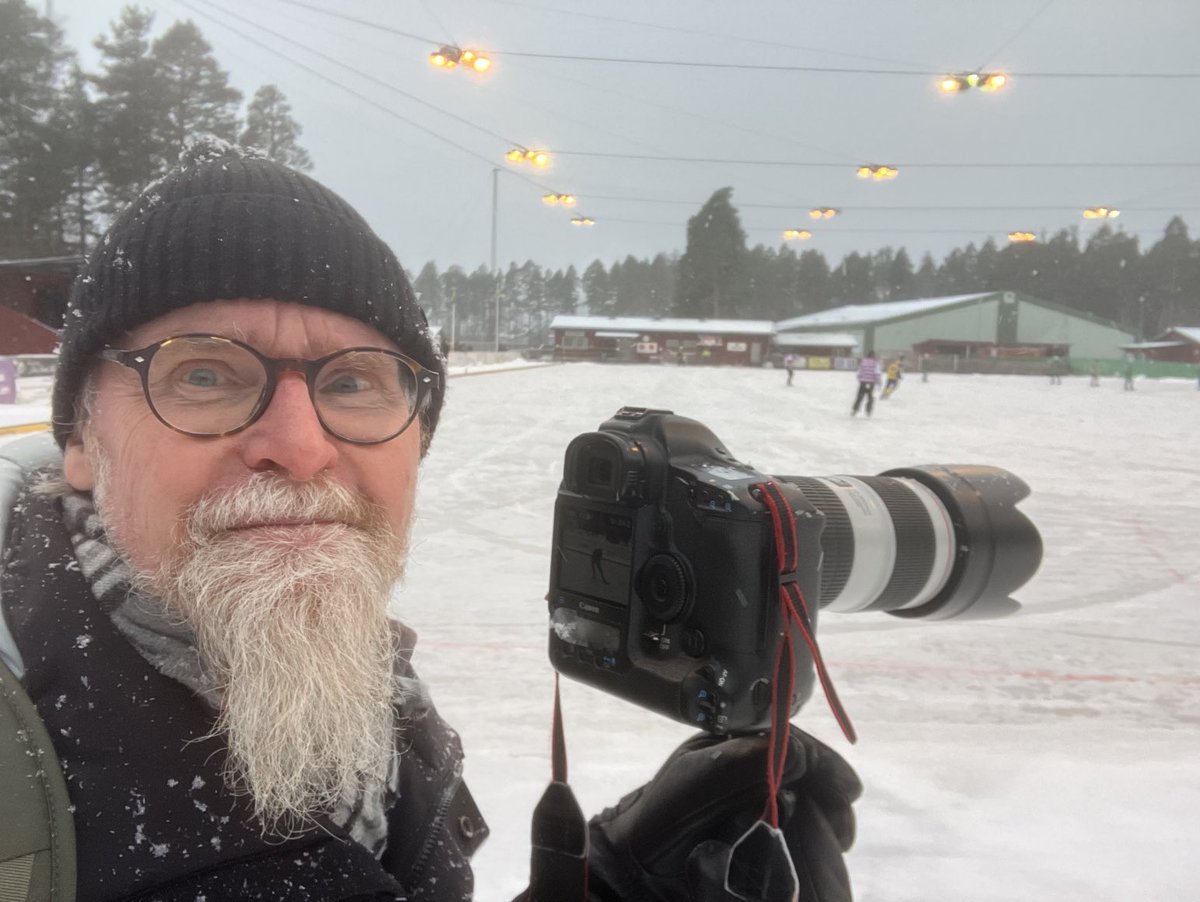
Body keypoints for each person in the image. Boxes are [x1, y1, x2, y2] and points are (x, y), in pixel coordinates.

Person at [0, 141, 860, 901]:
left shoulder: (355, 681)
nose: (299, 447)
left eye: (352, 383)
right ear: (81, 439)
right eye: (202, 376)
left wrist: (625, 882)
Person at [851, 350, 881, 417]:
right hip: (871, 383)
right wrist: (878, 382)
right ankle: (868, 410)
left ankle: (855, 409)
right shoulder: (876, 363)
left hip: (863, 382)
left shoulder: (863, 361)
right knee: (870, 397)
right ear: (873, 356)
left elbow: (859, 371)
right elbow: (877, 373)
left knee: (860, 396)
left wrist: (859, 377)